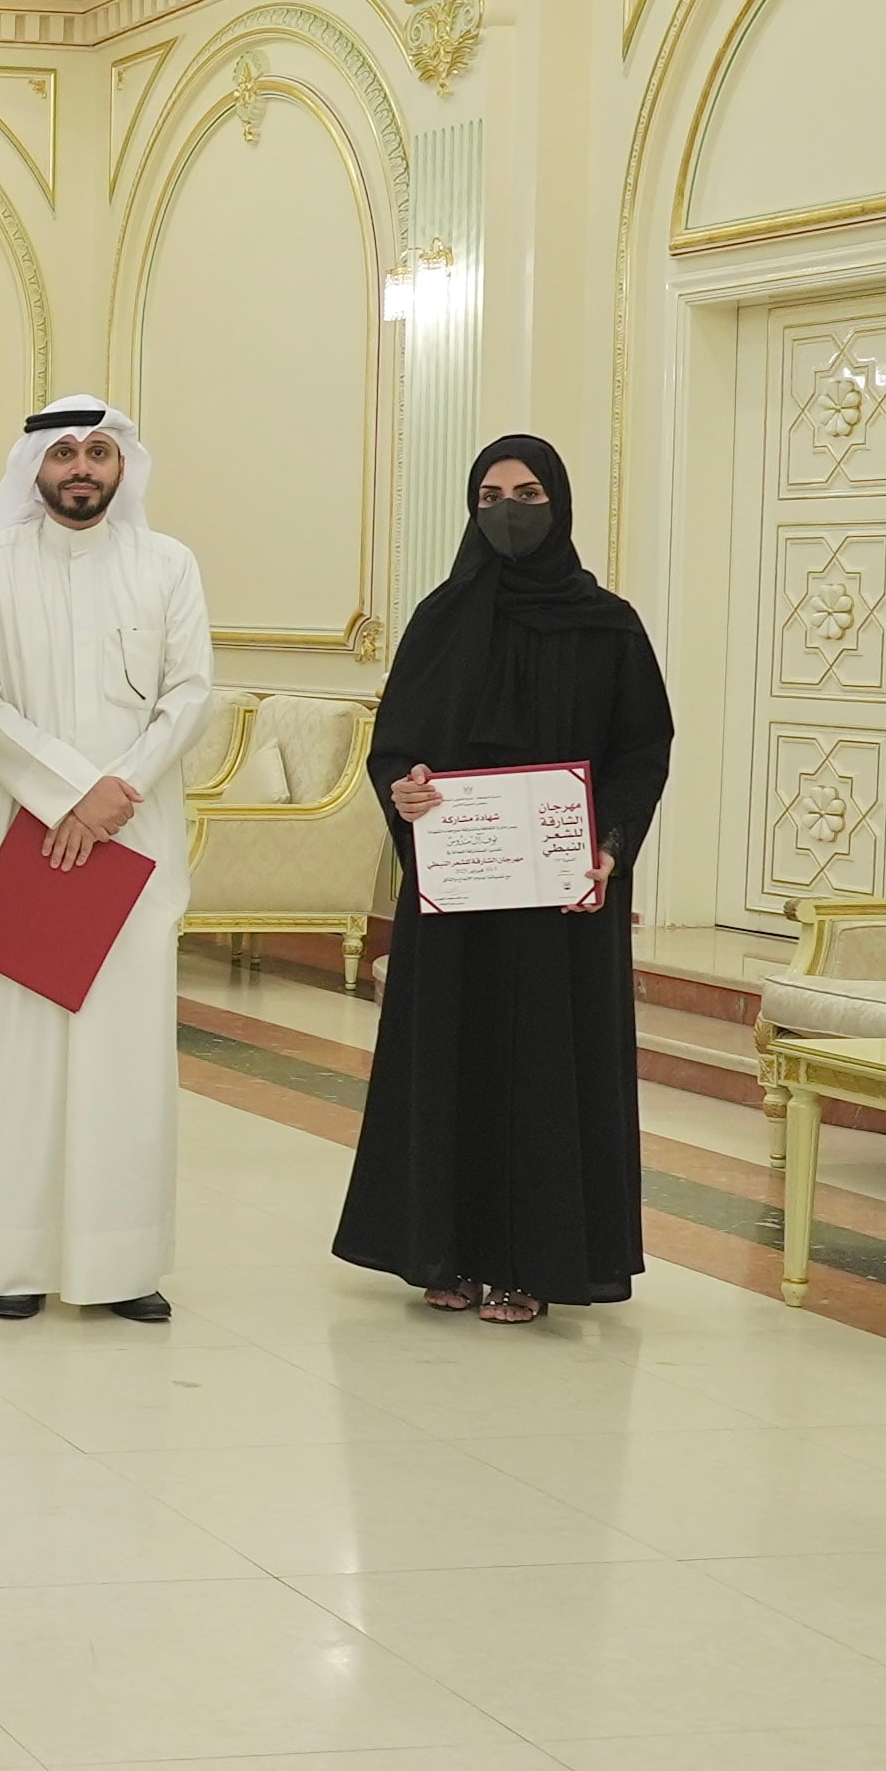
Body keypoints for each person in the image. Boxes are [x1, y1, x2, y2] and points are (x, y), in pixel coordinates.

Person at [336, 434, 673, 1323]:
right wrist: (404, 789)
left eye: (525, 494)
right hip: (457, 887)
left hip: (562, 892)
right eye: (489, 497)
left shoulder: (608, 625)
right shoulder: (441, 619)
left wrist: (610, 846)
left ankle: (533, 1264)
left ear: (557, 503)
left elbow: (642, 749)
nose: (507, 512)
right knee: (450, 1053)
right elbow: (396, 745)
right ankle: (440, 1251)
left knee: (545, 1067)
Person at [0, 399, 212, 1323]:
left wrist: (112, 794)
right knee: (12, 1056)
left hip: (130, 841)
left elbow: (188, 695)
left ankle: (121, 1265)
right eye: (62, 453)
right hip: (22, 838)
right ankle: (8, 1260)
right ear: (35, 468)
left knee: (122, 1057)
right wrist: (67, 793)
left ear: (122, 466)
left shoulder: (167, 565)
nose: (81, 467)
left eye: (98, 451)